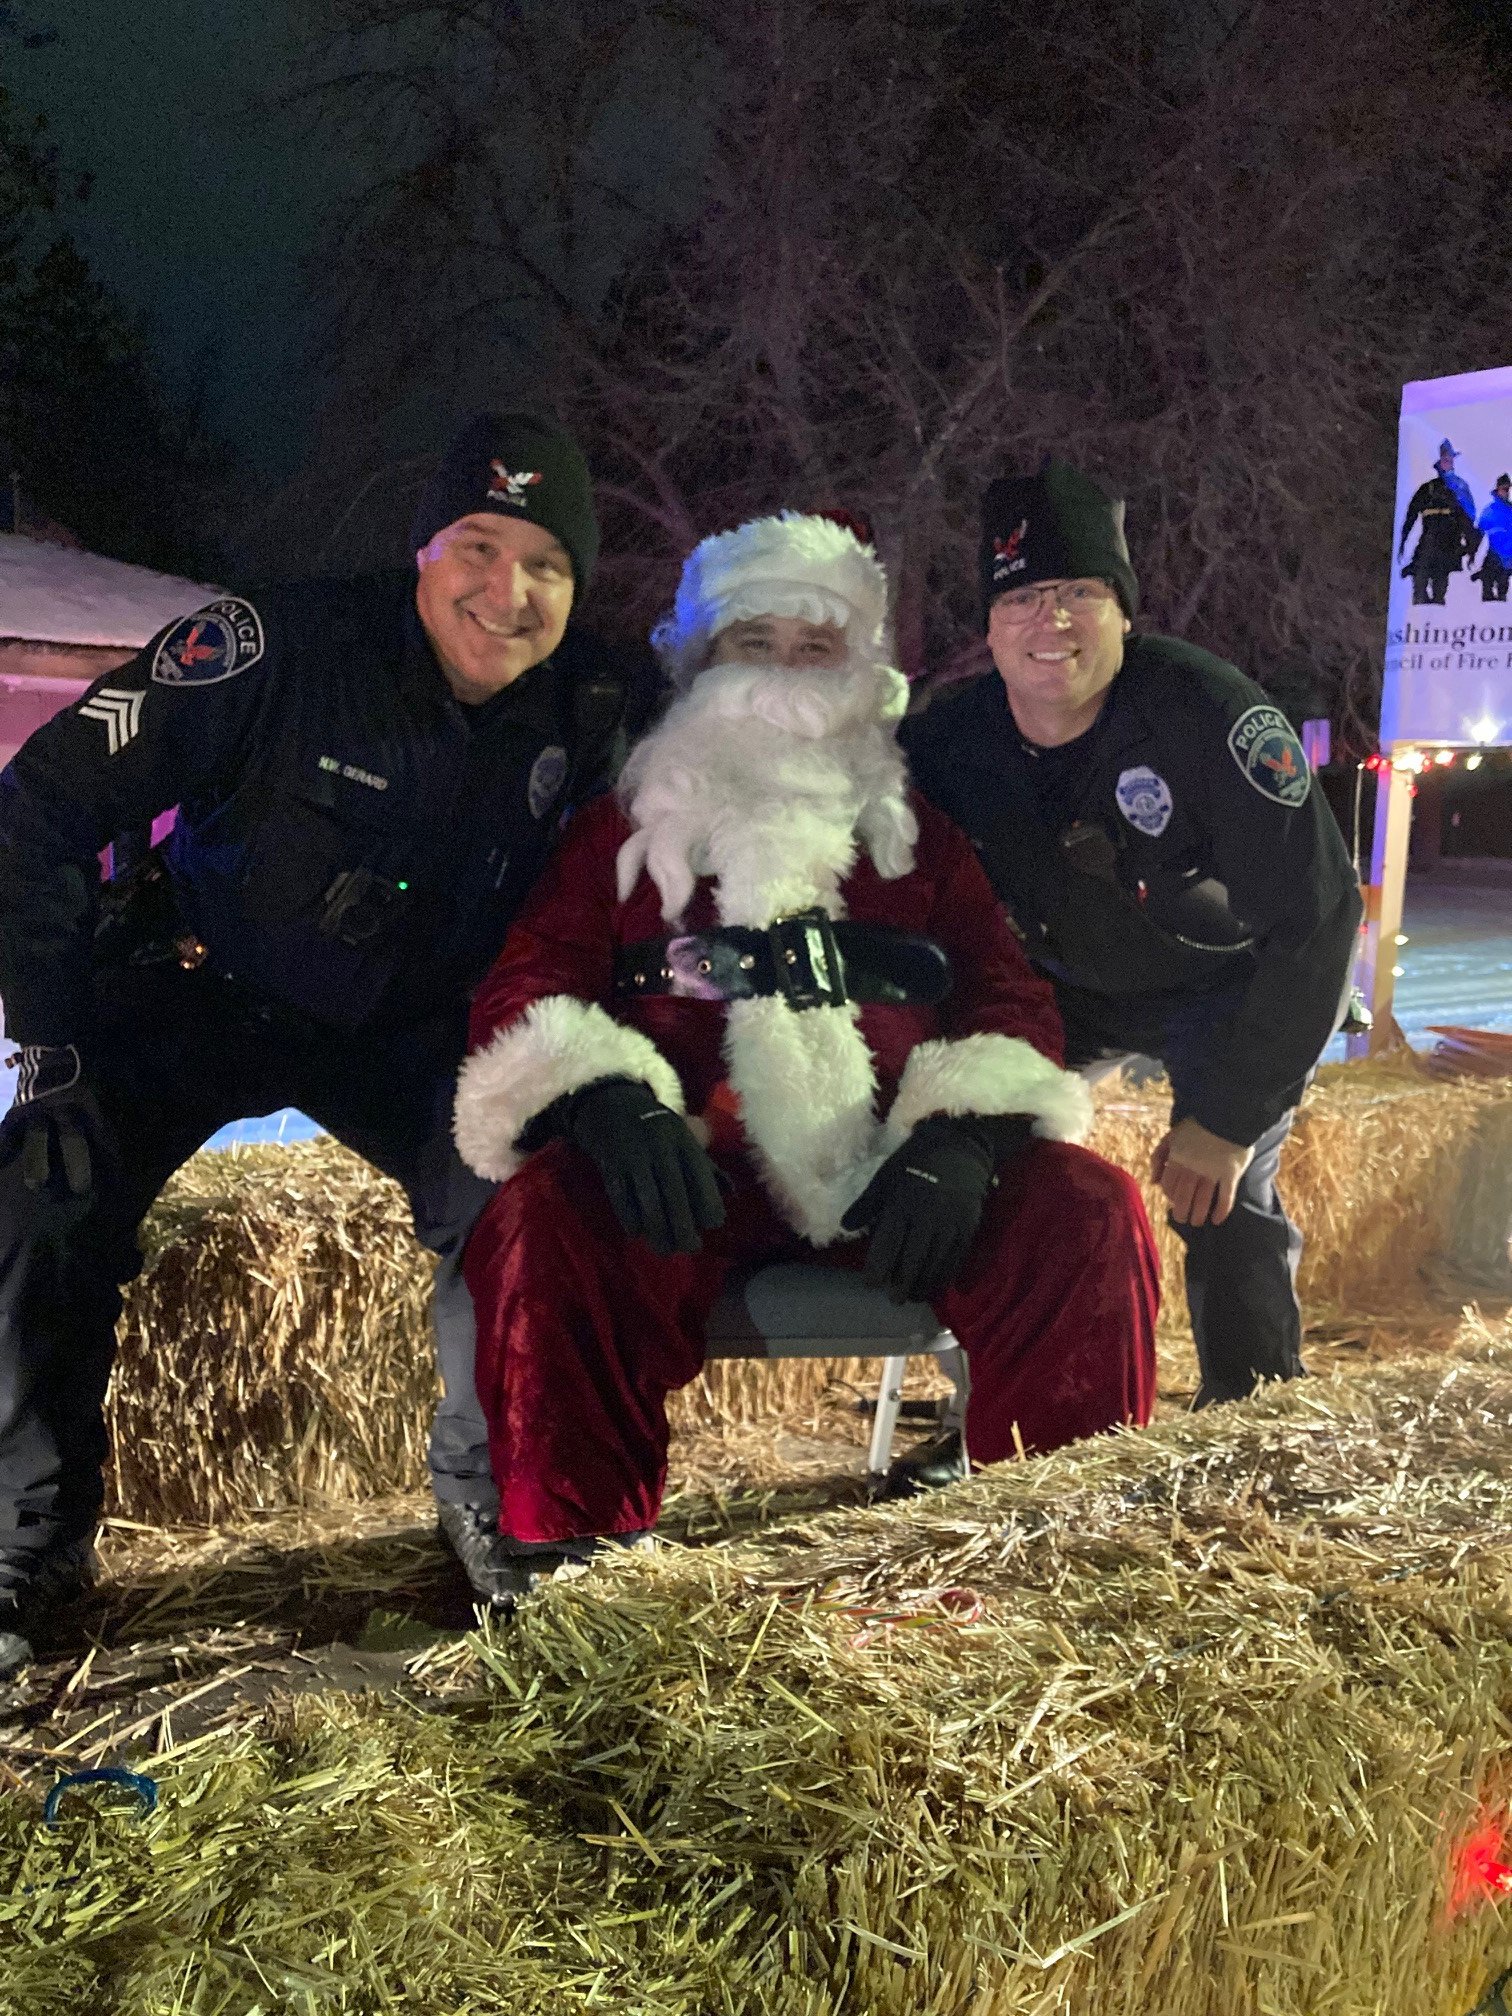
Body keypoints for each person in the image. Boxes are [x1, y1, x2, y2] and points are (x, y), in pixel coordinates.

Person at [0, 412, 630, 1672]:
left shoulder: (595, 705)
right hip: (201, 983)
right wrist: (53, 1046)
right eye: (478, 544)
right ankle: (28, 1548)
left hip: (408, 1029)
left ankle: (507, 1519)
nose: (508, 592)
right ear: (421, 552)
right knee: (35, 1191)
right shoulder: (266, 645)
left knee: (524, 1197)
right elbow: (35, 811)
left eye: (547, 565)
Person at [449, 510, 1160, 1596]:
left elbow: (1007, 995)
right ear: (700, 663)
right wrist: (602, 1100)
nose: (785, 674)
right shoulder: (622, 829)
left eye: (816, 648)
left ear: (860, 672)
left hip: (892, 1173)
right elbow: (528, 979)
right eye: (754, 644)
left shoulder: (917, 832)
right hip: (684, 1169)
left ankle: (1066, 1555)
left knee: (1085, 1209)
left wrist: (961, 1136)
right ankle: (575, 1576)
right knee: (548, 1217)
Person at [902, 459, 1362, 1413]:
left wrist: (1228, 1120)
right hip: (1066, 981)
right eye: (1023, 596)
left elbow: (1319, 916)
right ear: (989, 625)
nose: (1051, 621)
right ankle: (990, 1417)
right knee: (982, 1158)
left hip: (1224, 979)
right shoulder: (951, 744)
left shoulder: (1211, 716)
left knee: (1221, 1198)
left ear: (1123, 611)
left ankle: (1252, 1420)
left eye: (1080, 592)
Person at [1399, 441, 1478, 605]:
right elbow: (1411, 515)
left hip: (1449, 545)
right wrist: (1402, 542)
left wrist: (1471, 549)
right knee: (1420, 584)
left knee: (1439, 588)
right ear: (1440, 462)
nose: (1447, 462)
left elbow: (1467, 521)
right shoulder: (1428, 489)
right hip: (1428, 543)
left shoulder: (1460, 489)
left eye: (1449, 459)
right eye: (1445, 459)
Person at [1473, 473, 1512, 602]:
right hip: (1492, 555)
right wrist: (1472, 552)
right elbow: (1478, 533)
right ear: (1498, 489)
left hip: (1508, 557)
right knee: (1487, 590)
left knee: (1502, 591)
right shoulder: (1490, 510)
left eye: (1508, 489)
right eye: (1504, 489)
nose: (1506, 492)